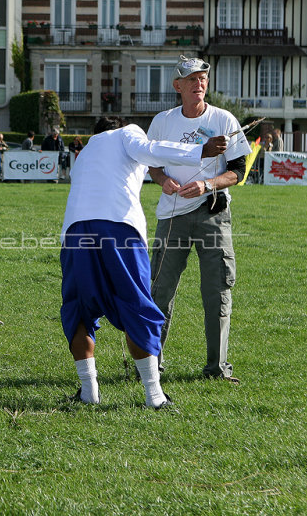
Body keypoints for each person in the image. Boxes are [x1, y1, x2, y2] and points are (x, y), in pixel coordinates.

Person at [61, 116, 227, 407]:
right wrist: (200, 150)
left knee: (77, 309)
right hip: (119, 226)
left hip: (75, 230)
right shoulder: (126, 133)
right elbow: (149, 149)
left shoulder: (85, 151)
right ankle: (154, 396)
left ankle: (89, 393)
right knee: (136, 305)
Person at [146, 56, 252, 383]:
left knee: (217, 291)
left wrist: (208, 184)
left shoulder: (223, 120)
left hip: (213, 215)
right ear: (178, 85)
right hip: (172, 217)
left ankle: (216, 369)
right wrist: (163, 180)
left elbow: (241, 170)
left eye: (203, 78)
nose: (199, 84)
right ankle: (151, 367)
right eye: (191, 79)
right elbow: (151, 164)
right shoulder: (162, 122)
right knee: (159, 291)